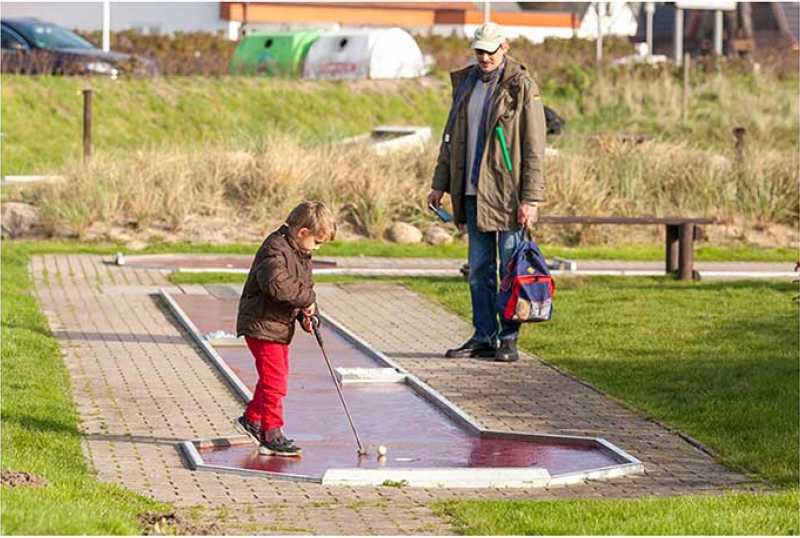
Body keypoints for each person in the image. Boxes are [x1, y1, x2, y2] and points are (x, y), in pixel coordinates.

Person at [427, 22, 546, 363]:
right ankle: (483, 336)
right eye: (479, 51)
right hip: (470, 193)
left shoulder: (521, 85)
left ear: (504, 47)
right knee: (479, 270)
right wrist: (439, 183)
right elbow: (450, 138)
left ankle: (508, 338)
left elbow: (534, 146)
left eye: (490, 51)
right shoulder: (465, 83)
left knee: (510, 269)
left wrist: (531, 198)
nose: (484, 57)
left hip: (508, 195)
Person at [235, 201, 336, 456]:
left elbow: (304, 288)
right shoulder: (274, 249)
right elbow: (278, 287)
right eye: (317, 242)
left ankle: (252, 418)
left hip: (278, 327)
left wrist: (309, 315)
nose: (317, 247)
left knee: (274, 377)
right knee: (275, 380)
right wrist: (307, 300)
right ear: (302, 232)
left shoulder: (300, 254)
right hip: (261, 324)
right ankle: (271, 432)